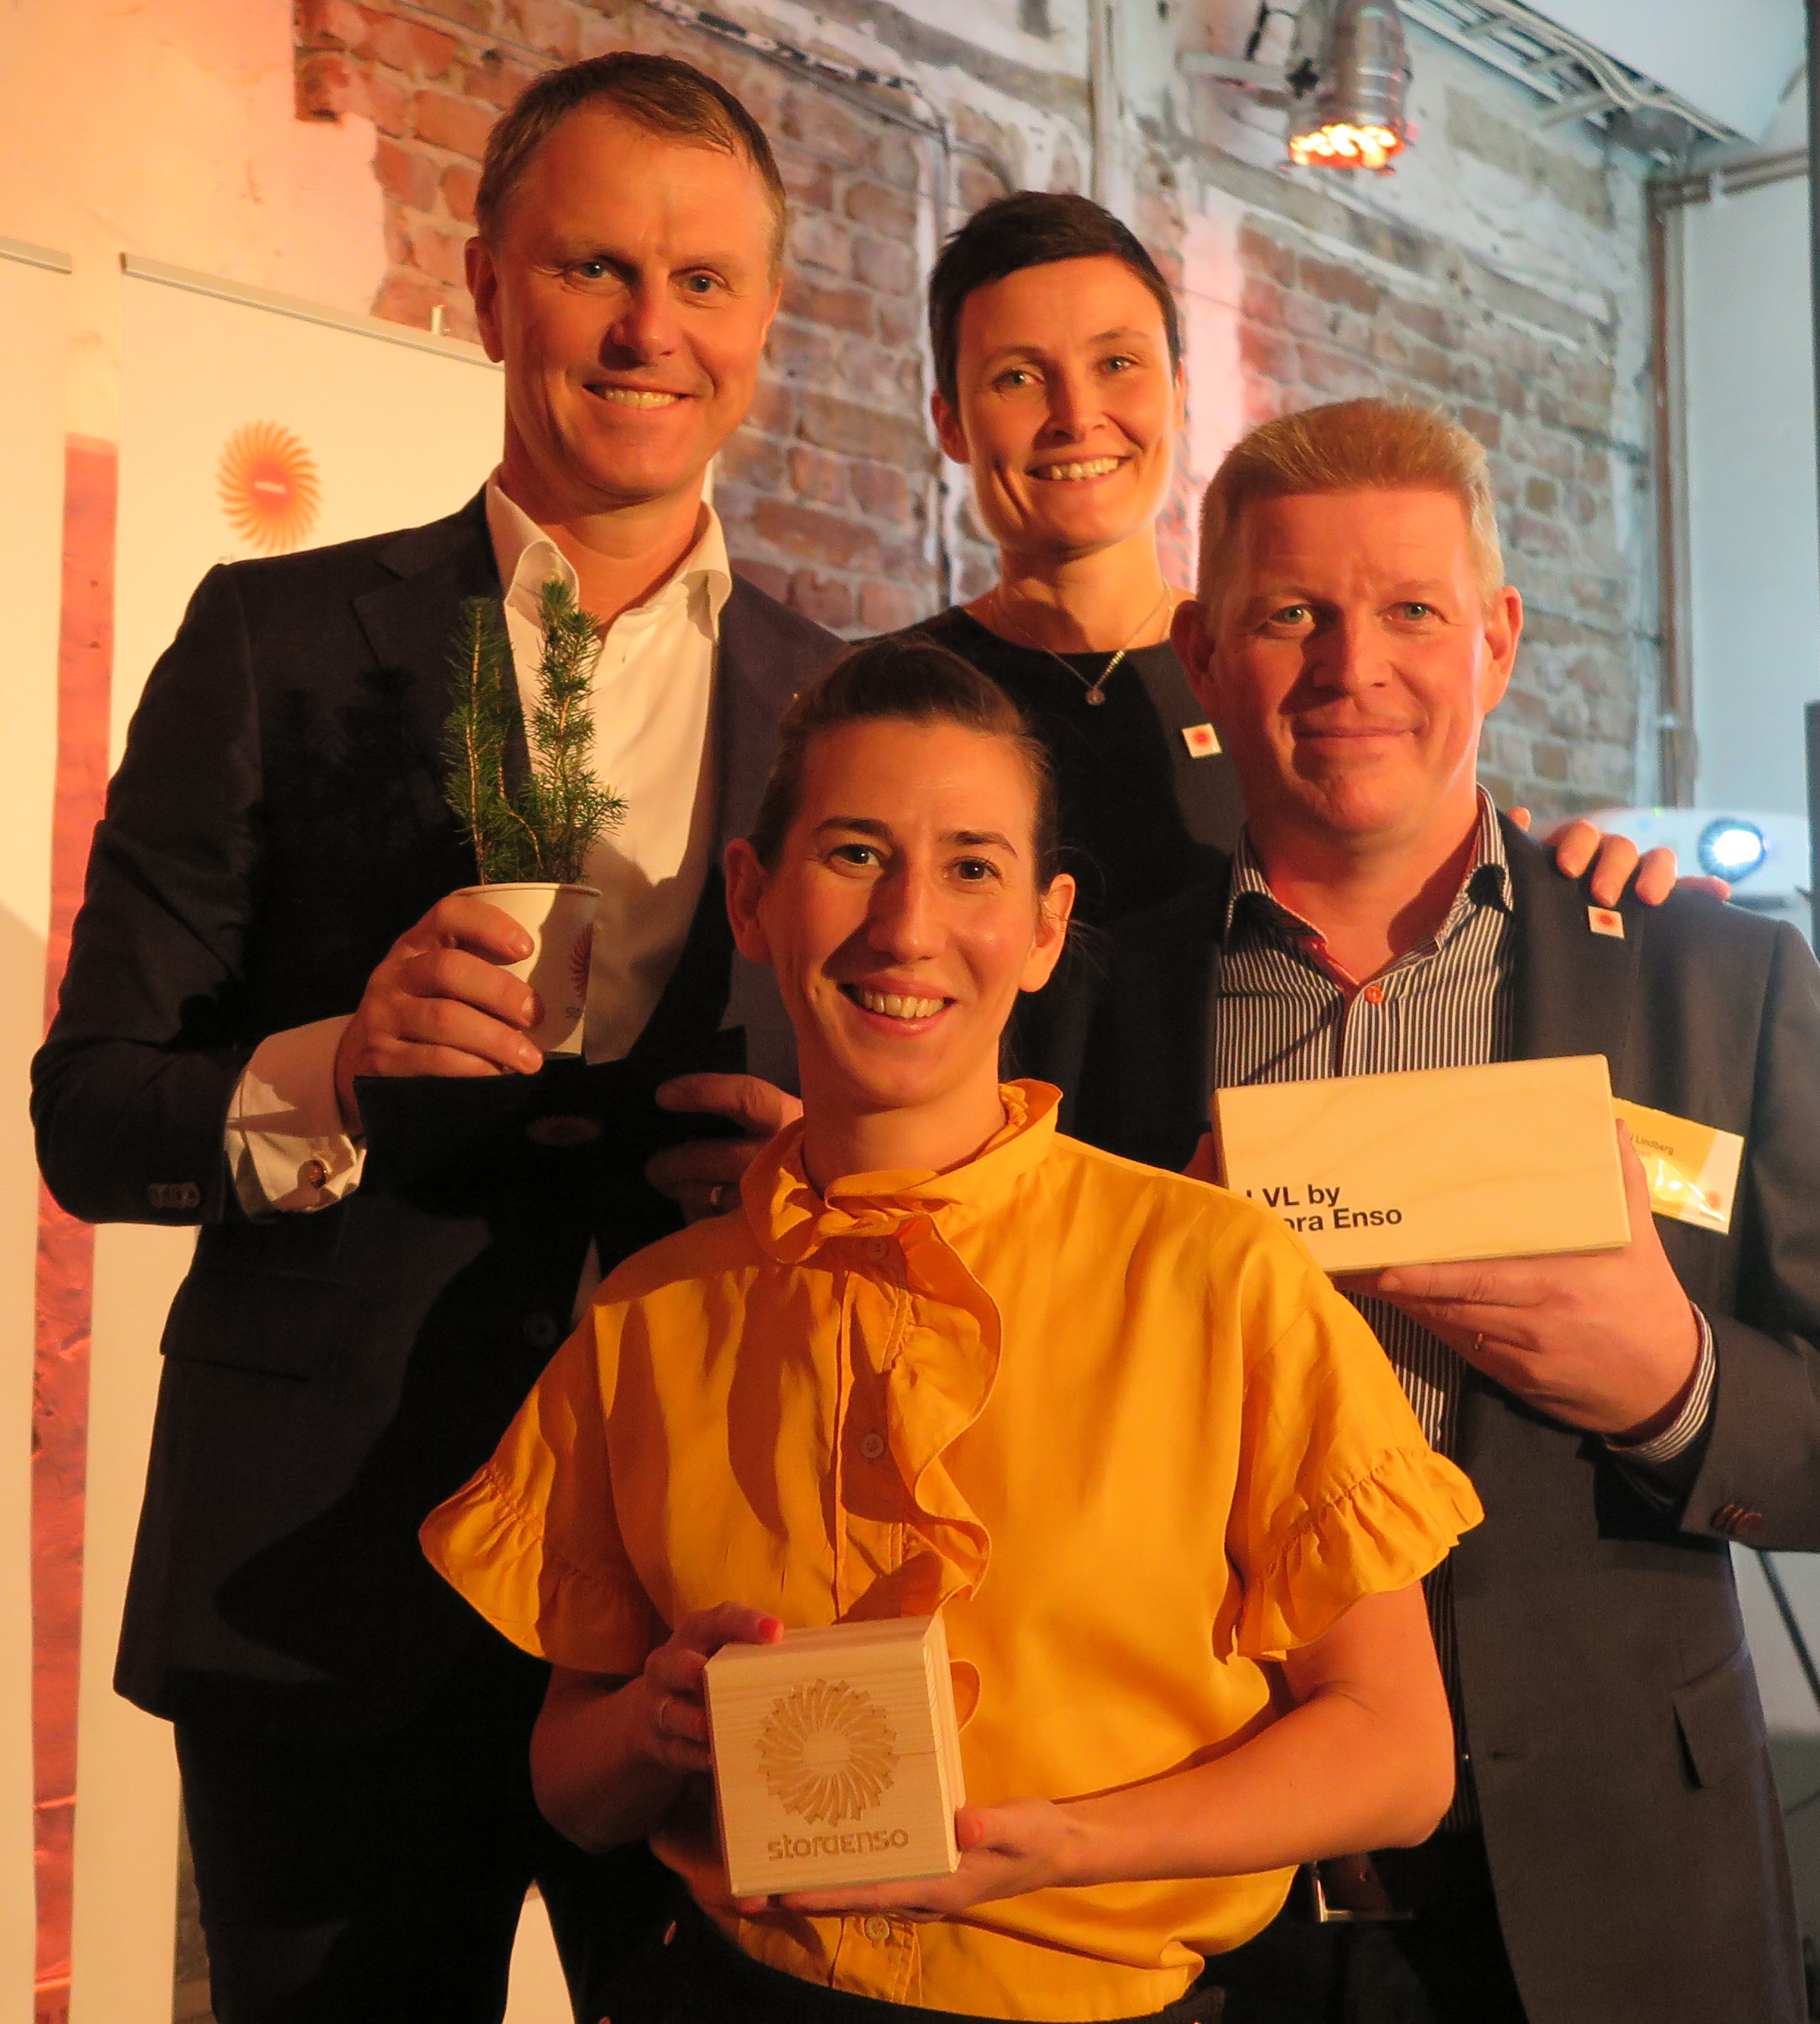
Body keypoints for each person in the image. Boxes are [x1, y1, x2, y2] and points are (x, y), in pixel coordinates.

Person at [30, 52, 842, 2023]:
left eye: (705, 282)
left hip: (714, 1584)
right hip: (323, 1581)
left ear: (764, 326)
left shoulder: (847, 704)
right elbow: (94, 1113)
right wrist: (332, 1064)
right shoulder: (272, 642)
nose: (651, 329)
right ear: (485, 289)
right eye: (593, 268)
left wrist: (818, 1174)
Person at [424, 633, 1486, 2022]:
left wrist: (1068, 1848)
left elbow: (1397, 1756)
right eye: (854, 853)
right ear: (751, 898)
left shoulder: (1216, 1275)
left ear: (1045, 929)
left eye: (972, 867)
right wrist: (655, 1719)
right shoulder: (648, 1317)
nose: (907, 925)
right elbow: (573, 1783)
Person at [1054, 397, 1820, 2023]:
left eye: (1410, 609)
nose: (1354, 669)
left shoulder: (1714, 981)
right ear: (1202, 655)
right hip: (1198, 1894)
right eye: (1291, 615)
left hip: (1621, 1896)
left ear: (1497, 640)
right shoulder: (1077, 1007)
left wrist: (1677, 1383)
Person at [912, 191, 1686, 930]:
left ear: (1178, 394)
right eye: (1017, 378)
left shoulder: (1296, 686)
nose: (1077, 416)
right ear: (950, 423)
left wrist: (1573, 885)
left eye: (1116, 364)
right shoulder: (881, 702)